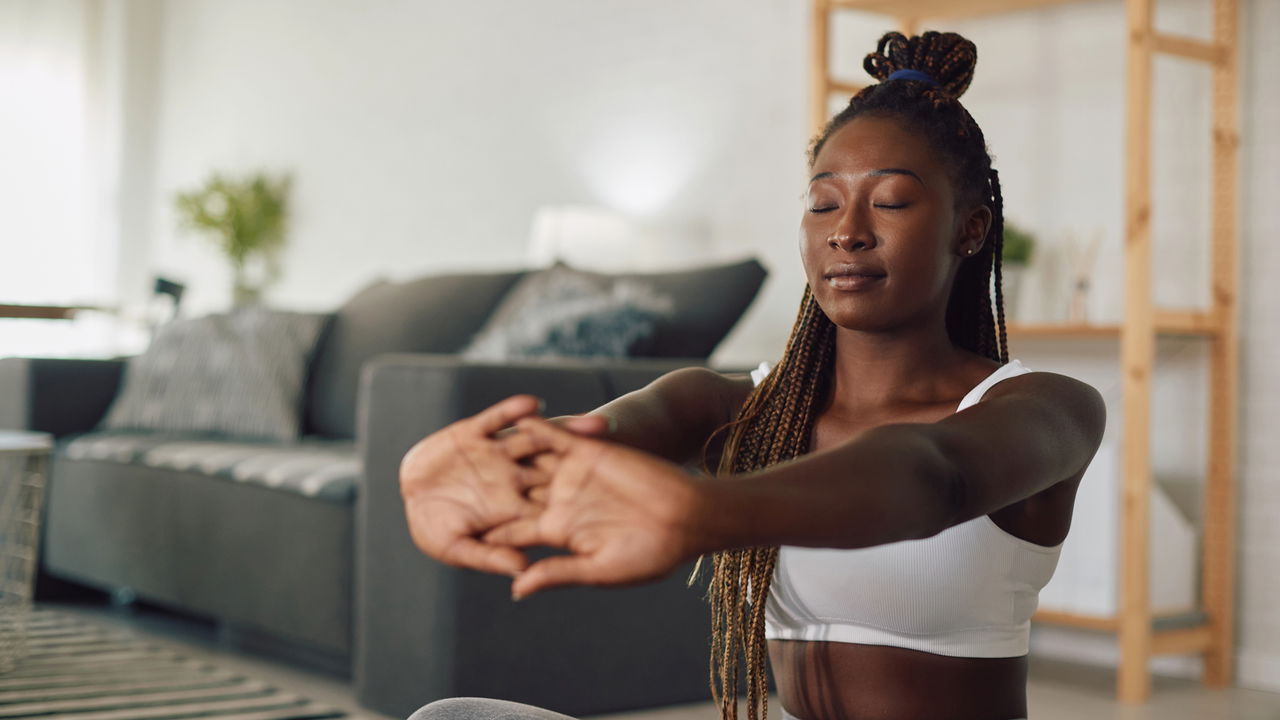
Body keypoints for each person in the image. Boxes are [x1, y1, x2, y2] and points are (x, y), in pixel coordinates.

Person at [400, 30, 1106, 720]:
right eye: (823, 203)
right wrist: (494, 464)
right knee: (452, 717)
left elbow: (929, 473)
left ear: (970, 228)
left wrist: (702, 513)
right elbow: (605, 433)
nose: (846, 231)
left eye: (890, 201)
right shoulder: (742, 409)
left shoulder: (1045, 410)